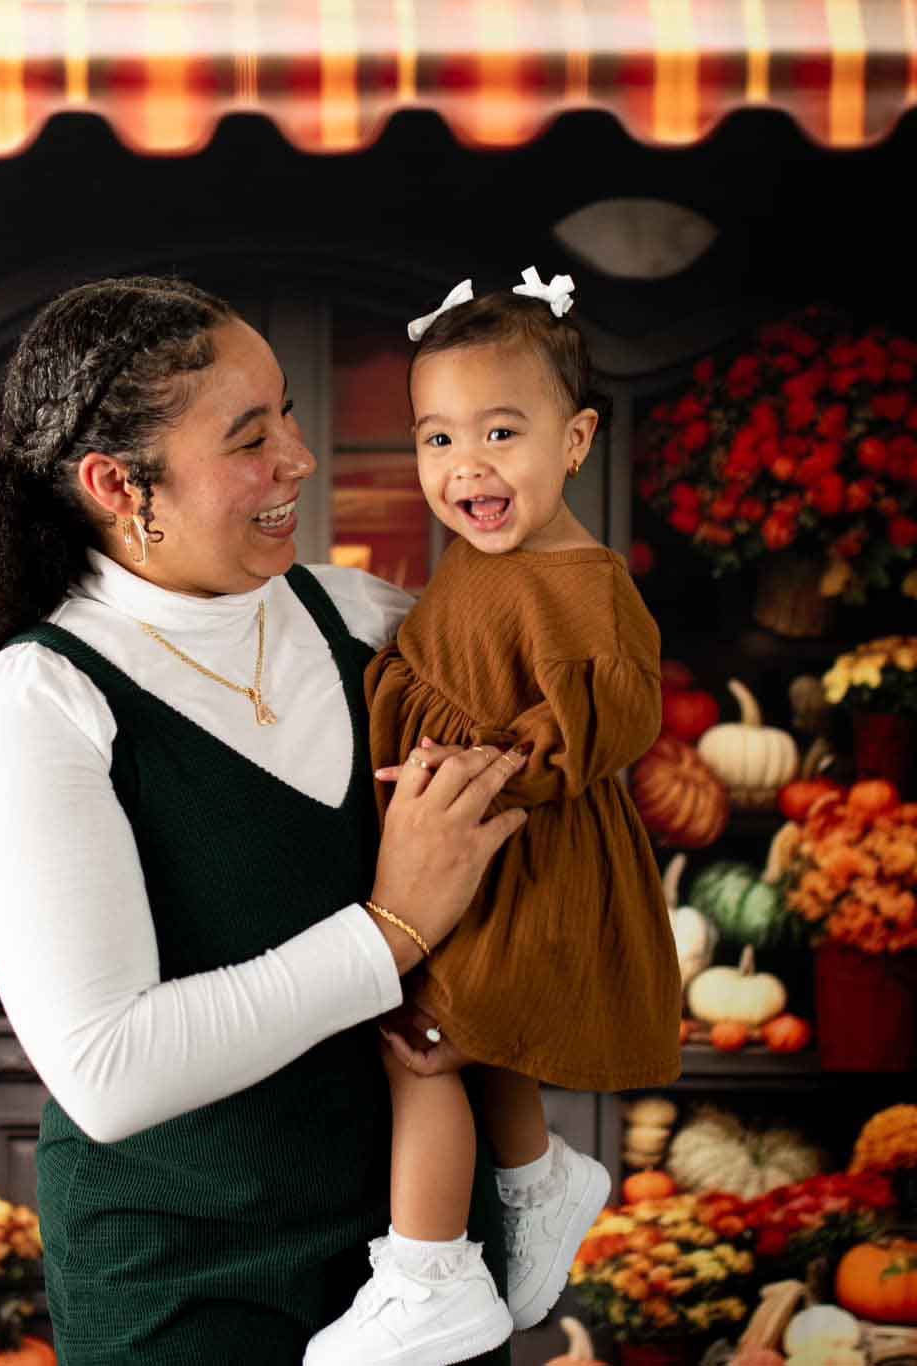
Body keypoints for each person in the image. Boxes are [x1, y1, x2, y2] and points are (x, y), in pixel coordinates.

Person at [0, 275, 529, 1365]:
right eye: (250, 436)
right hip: (181, 1280)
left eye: (285, 411)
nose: (298, 456)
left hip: (419, 1251)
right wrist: (392, 929)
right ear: (116, 483)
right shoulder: (38, 698)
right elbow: (108, 1068)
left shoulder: (360, 620)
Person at [306, 272, 684, 1366]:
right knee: (473, 1040)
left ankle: (428, 1276)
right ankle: (534, 1177)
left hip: (523, 843)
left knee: (423, 1042)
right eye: (434, 437)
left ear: (572, 442)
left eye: (500, 432)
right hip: (469, 838)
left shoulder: (582, 579)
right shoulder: (481, 562)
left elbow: (614, 710)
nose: (463, 464)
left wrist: (490, 767)